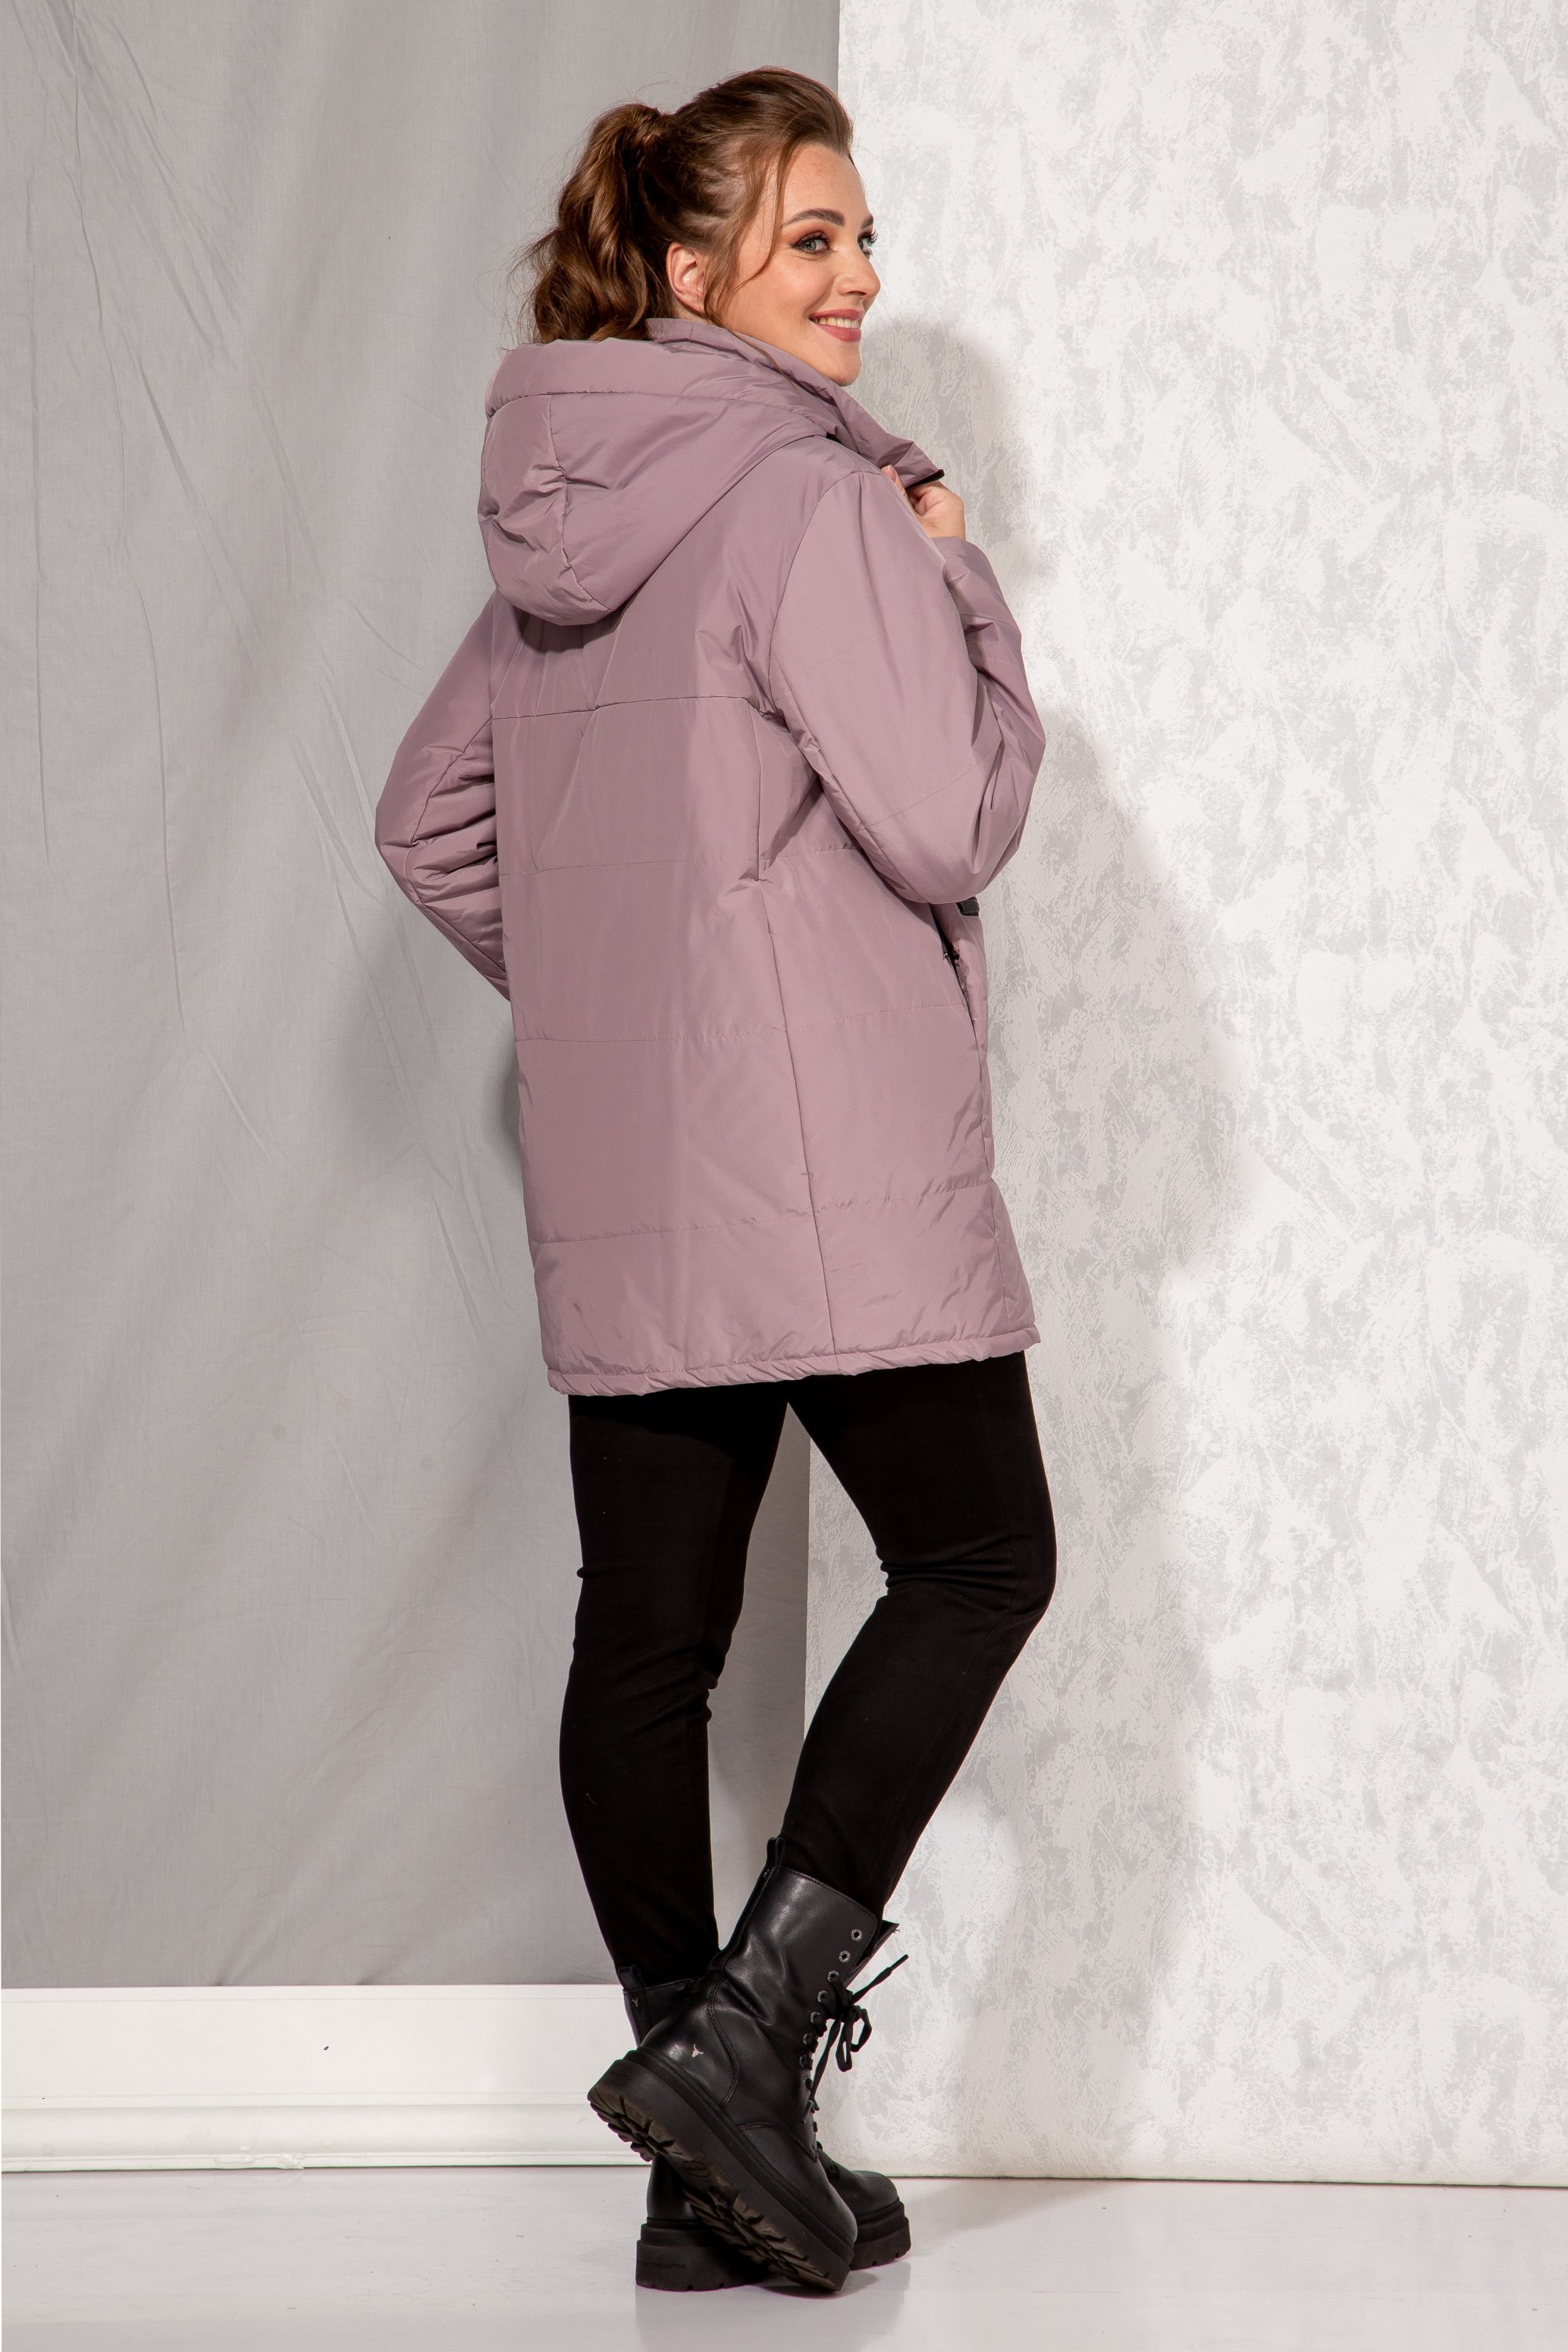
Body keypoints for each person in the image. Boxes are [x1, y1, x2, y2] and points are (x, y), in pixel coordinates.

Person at [375, 67, 1056, 2296]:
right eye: (811, 241)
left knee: (645, 1639)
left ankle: (702, 2156)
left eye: (865, 238)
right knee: (981, 1554)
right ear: (694, 273)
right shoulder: (813, 504)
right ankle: (742, 2057)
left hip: (642, 1168)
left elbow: (427, 824)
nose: (860, 279)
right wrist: (962, 586)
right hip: (828, 1167)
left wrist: (620, 1004)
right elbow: (949, 819)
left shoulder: (564, 526)